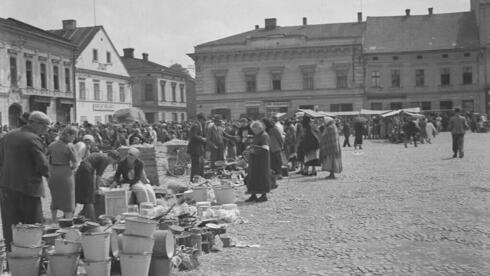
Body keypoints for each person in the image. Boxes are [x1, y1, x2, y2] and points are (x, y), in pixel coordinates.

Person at [0, 111, 50, 249]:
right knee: (33, 226)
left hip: (6, 187)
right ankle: (32, 260)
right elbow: (43, 165)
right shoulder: (33, 138)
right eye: (45, 126)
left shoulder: (8, 136)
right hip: (29, 189)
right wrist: (48, 175)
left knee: (11, 225)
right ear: (35, 123)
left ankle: (13, 256)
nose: (46, 130)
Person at [75, 150, 121, 220]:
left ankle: (80, 214)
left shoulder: (101, 155)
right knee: (90, 196)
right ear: (111, 157)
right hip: (86, 170)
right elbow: (98, 176)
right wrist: (97, 188)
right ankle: (93, 219)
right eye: (114, 161)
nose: (112, 163)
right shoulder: (105, 159)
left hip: (81, 169)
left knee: (80, 193)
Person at [47, 126, 79, 223]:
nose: (74, 138)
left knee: (55, 196)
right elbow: (75, 163)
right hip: (65, 172)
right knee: (68, 197)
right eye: (74, 136)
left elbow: (46, 157)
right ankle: (68, 221)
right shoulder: (69, 146)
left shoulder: (52, 144)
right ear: (69, 135)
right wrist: (72, 168)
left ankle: (53, 219)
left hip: (52, 171)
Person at [245, 121, 271, 202]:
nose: (253, 131)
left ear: (258, 128)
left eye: (254, 129)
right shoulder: (257, 135)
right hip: (255, 160)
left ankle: (264, 195)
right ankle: (253, 194)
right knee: (253, 176)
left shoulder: (264, 135)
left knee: (262, 176)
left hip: (262, 160)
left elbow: (265, 148)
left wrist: (254, 151)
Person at [187, 114, 207, 181]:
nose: (204, 122)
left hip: (198, 149)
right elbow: (193, 136)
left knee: (200, 165)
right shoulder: (195, 126)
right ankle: (194, 180)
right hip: (195, 149)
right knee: (196, 166)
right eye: (203, 120)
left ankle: (199, 179)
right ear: (201, 119)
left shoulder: (199, 125)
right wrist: (202, 139)